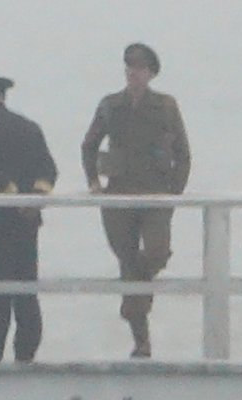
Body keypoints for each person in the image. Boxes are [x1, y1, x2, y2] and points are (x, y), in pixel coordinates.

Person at [81, 42, 191, 359]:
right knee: (128, 263)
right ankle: (141, 341)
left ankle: (132, 303)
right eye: (130, 68)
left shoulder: (165, 106)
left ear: (150, 73)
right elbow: (89, 144)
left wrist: (175, 192)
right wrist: (93, 181)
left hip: (155, 195)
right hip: (118, 196)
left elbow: (183, 153)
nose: (134, 74)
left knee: (157, 252)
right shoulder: (110, 105)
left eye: (140, 69)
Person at [0, 72, 58, 363]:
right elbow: (48, 169)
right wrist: (35, 197)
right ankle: (26, 352)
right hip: (26, 222)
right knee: (26, 289)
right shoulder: (29, 127)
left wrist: (12, 196)